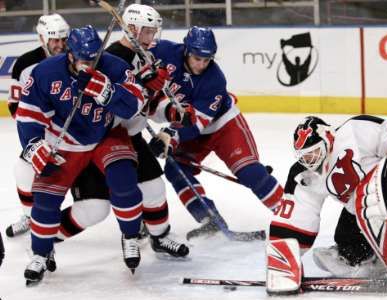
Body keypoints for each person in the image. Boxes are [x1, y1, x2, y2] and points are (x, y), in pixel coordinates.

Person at [55, 4, 189, 258]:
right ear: (133, 30)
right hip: (103, 137)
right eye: (147, 32)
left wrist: (169, 109)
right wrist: (144, 87)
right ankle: (46, 236)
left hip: (129, 134)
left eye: (153, 32)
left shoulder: (144, 56)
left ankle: (159, 237)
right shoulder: (113, 57)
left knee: (153, 188)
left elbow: (145, 105)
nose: (152, 37)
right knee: (94, 208)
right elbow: (111, 103)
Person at [16, 25, 146, 285]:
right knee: (45, 200)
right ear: (70, 54)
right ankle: (41, 253)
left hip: (106, 134)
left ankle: (130, 237)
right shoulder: (45, 72)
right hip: (65, 141)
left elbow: (136, 104)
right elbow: (28, 114)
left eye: (94, 59)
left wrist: (107, 91)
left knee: (125, 183)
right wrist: (33, 145)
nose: (90, 65)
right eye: (84, 60)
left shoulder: (115, 66)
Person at [265, 115, 387, 295]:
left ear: (327, 138)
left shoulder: (352, 131)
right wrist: (284, 256)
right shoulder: (305, 175)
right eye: (305, 157)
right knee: (347, 244)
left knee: (367, 200)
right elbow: (297, 215)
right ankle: (371, 261)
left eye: (314, 152)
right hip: (362, 212)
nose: (310, 160)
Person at [148, 26, 284, 239]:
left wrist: (168, 137)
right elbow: (133, 55)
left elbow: (195, 125)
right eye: (197, 58)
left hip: (223, 126)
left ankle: (290, 218)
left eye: (207, 59)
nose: (201, 64)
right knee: (177, 170)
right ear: (186, 49)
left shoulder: (215, 80)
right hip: (186, 123)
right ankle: (210, 220)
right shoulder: (164, 51)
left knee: (249, 173)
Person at [6, 13, 70, 238]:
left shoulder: (76, 57)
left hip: (76, 134)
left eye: (64, 39)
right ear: (42, 38)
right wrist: (35, 140)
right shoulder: (24, 64)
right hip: (43, 133)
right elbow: (16, 107)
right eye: (55, 40)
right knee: (22, 170)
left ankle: (132, 222)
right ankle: (30, 216)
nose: (60, 45)